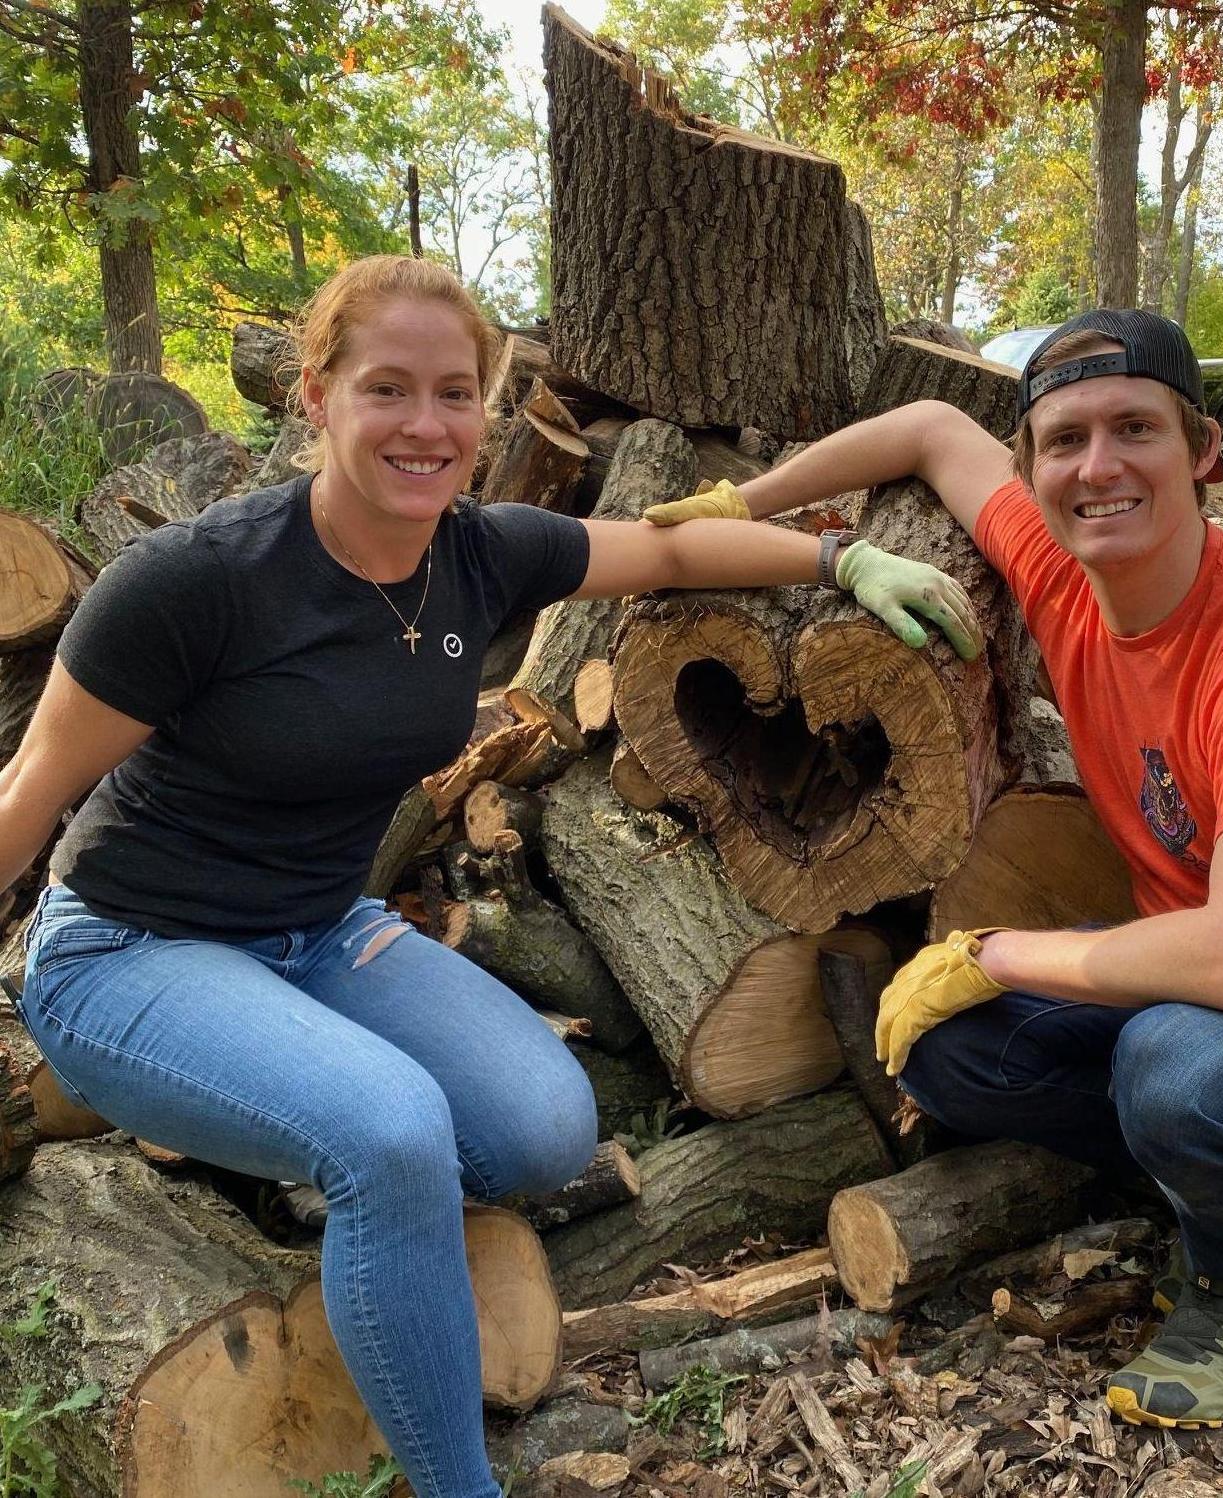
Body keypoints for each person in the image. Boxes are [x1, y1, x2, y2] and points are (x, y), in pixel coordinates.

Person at [0, 255, 982, 1498]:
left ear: (488, 407)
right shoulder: (196, 583)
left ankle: (356, 1206)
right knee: (394, 1131)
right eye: (388, 388)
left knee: (542, 1128)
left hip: (314, 933)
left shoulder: (478, 554)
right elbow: (26, 800)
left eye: (455, 393)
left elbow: (667, 557)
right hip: (129, 952)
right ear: (316, 396)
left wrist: (840, 564)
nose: (426, 425)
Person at [644, 308, 1223, 1430]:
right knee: (949, 1054)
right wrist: (742, 507)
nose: (1097, 466)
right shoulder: (1065, 576)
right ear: (1033, 466)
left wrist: (992, 950)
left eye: (1134, 429)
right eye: (1064, 440)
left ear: (1203, 452)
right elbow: (925, 426)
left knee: (1178, 1063)